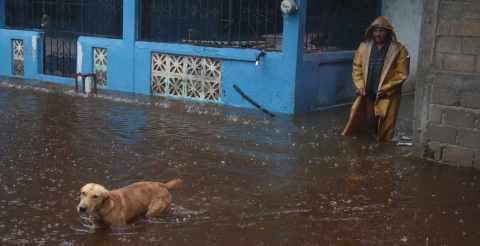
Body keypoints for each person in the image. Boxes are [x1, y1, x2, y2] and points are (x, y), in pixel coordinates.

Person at [342, 16, 410, 142]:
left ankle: (384, 151)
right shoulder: (363, 47)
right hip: (368, 93)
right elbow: (357, 67)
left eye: (381, 31)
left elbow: (402, 73)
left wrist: (386, 88)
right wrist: (360, 85)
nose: (378, 34)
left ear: (388, 32)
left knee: (386, 127)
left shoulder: (399, 50)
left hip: (388, 95)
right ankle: (370, 150)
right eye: (375, 30)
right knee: (369, 123)